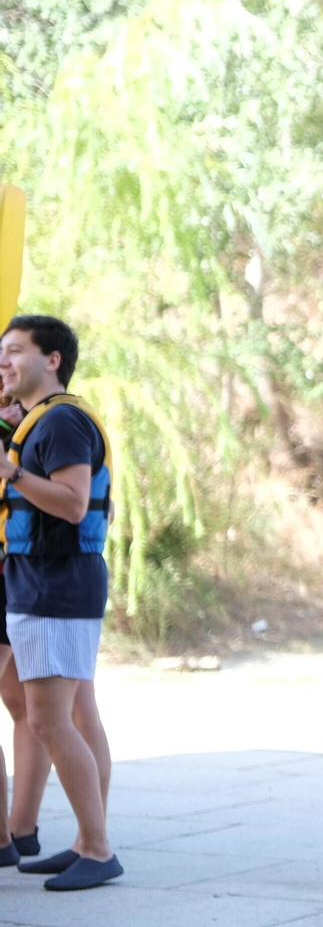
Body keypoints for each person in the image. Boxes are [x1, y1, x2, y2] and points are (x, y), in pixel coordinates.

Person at [0, 315, 120, 889]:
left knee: (50, 720)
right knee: (73, 715)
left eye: (16, 351)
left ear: (52, 360)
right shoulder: (40, 423)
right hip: (47, 582)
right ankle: (85, 841)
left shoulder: (64, 423)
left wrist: (12, 471)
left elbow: (74, 505)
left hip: (56, 585)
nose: (4, 361)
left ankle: (97, 849)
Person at [0, 392, 49, 868]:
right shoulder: (37, 418)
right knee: (24, 704)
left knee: (36, 708)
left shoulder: (35, 421)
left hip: (13, 570)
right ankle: (21, 830)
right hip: (22, 572)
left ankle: (5, 837)